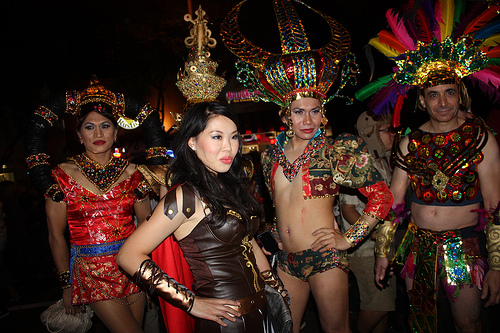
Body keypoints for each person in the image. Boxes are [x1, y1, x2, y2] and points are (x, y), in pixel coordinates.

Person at [221, 1, 393, 332]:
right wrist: (273, 234)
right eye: (299, 112)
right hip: (285, 260)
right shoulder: (270, 155)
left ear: (323, 114)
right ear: (285, 114)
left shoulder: (335, 151)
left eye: (314, 111)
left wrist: (348, 239)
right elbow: (275, 204)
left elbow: (381, 196)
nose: (307, 119)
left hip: (324, 259)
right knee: (283, 329)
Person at [357, 1, 500, 332]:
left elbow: (495, 206)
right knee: (421, 324)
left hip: (461, 248)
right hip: (416, 247)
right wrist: (382, 251)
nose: (443, 103)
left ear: (460, 94)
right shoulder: (410, 142)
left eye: (449, 92)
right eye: (433, 95)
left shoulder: (480, 137)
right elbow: (392, 202)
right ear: (422, 101)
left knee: (469, 323)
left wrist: (496, 265)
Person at [117, 101, 291, 333]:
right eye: (217, 137)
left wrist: (274, 286)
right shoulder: (185, 197)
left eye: (234, 137)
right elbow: (128, 255)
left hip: (263, 310)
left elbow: (247, 241)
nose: (229, 147)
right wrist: (191, 302)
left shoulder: (232, 185)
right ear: (192, 142)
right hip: (226, 323)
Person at [25, 78, 170, 333]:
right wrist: (66, 285)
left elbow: (147, 227)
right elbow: (56, 235)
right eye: (89, 127)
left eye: (105, 126)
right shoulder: (60, 176)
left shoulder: (135, 173)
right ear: (79, 135)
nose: (98, 134)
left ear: (116, 133)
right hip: (92, 273)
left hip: (132, 268)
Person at [339, 112, 396, 333]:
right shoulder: (361, 162)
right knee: (379, 304)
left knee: (383, 308)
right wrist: (372, 234)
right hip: (365, 250)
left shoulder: (382, 161)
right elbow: (348, 209)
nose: (392, 134)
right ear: (370, 133)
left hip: (380, 248)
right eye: (387, 130)